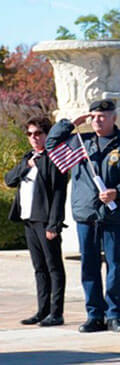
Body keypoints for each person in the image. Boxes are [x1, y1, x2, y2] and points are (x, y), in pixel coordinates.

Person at [46, 100, 120, 333]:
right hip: (87, 214)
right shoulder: (80, 141)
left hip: (113, 215)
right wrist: (71, 124)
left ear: (113, 118)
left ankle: (114, 315)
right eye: (94, 116)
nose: (97, 120)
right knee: (89, 267)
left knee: (114, 266)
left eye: (102, 116)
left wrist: (118, 192)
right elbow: (51, 144)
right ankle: (94, 314)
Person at [5, 116, 68, 327]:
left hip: (45, 221)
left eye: (38, 133)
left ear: (47, 135)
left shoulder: (53, 159)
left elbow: (59, 194)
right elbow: (9, 180)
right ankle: (43, 310)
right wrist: (27, 165)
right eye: (30, 134)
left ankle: (56, 312)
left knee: (53, 267)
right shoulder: (28, 158)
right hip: (29, 220)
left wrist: (54, 224)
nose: (34, 137)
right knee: (39, 267)